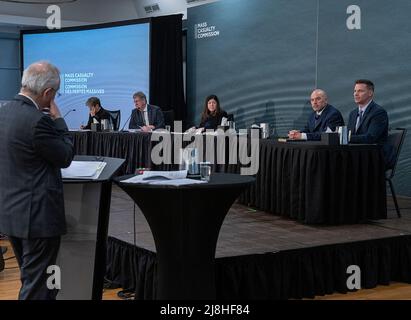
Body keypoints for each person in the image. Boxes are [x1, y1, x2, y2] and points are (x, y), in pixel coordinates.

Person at [0, 61, 74, 300]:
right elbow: (65, 156)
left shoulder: (4, 112)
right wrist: (59, 120)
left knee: (31, 280)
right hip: (38, 219)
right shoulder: (38, 121)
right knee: (39, 289)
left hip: (12, 215)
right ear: (48, 94)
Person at [347, 79, 394, 167]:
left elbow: (370, 138)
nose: (356, 94)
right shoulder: (353, 114)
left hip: (374, 157)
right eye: (355, 91)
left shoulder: (379, 112)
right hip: (357, 155)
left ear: (370, 93)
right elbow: (351, 134)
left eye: (360, 91)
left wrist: (346, 138)